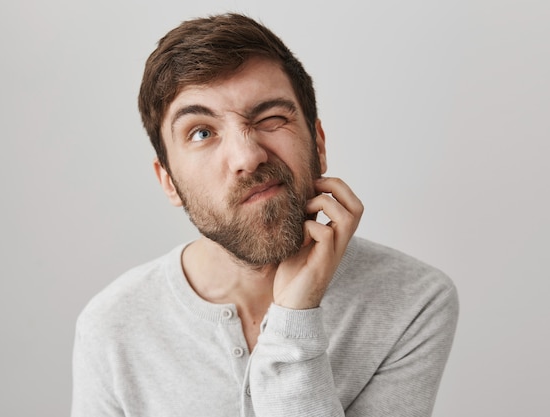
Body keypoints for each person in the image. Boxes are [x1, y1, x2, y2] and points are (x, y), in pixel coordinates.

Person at [71, 13, 458, 417]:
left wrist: (295, 318)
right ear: (168, 181)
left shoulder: (412, 300)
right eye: (201, 132)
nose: (248, 156)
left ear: (318, 144)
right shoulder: (112, 326)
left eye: (271, 118)